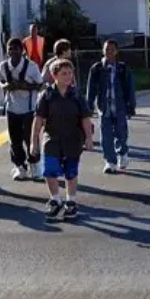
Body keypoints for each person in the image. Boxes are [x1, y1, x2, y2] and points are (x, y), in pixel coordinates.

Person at [31, 59, 93, 220]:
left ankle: (71, 202)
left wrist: (89, 138)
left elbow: (85, 118)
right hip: (52, 139)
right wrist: (34, 142)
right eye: (63, 73)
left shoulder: (77, 95)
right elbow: (38, 120)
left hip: (73, 139)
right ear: (54, 75)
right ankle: (55, 200)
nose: (68, 77)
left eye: (70, 73)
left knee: (71, 172)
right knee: (50, 171)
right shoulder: (46, 95)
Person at [86, 39, 136, 174]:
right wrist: (89, 105)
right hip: (104, 107)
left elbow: (130, 88)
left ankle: (123, 153)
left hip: (120, 106)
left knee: (121, 133)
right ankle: (110, 161)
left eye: (112, 49)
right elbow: (91, 89)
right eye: (106, 49)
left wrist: (131, 105)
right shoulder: (97, 68)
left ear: (117, 51)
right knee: (106, 135)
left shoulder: (122, 69)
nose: (109, 52)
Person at [0, 38, 43, 181]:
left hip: (29, 108)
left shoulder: (31, 66)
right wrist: (4, 86)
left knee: (30, 138)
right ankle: (20, 166)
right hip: (12, 108)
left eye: (16, 48)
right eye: (10, 48)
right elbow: (0, 80)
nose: (13, 51)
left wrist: (26, 86)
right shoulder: (4, 66)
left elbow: (40, 85)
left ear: (22, 50)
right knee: (14, 139)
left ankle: (35, 166)